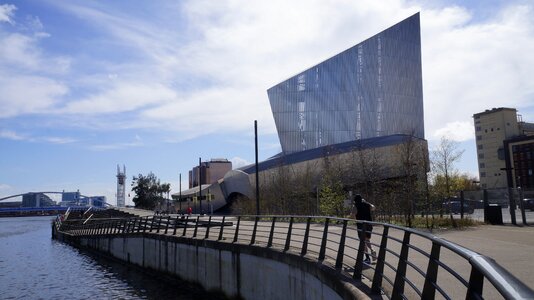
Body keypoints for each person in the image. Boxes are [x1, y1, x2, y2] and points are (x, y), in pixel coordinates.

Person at [351, 194, 376, 265]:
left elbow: (352, 215)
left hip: (361, 225)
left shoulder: (355, 206)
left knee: (363, 241)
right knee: (367, 239)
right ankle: (372, 250)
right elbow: (373, 208)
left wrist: (355, 220)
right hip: (369, 224)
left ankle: (368, 258)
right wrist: (366, 202)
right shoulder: (367, 204)